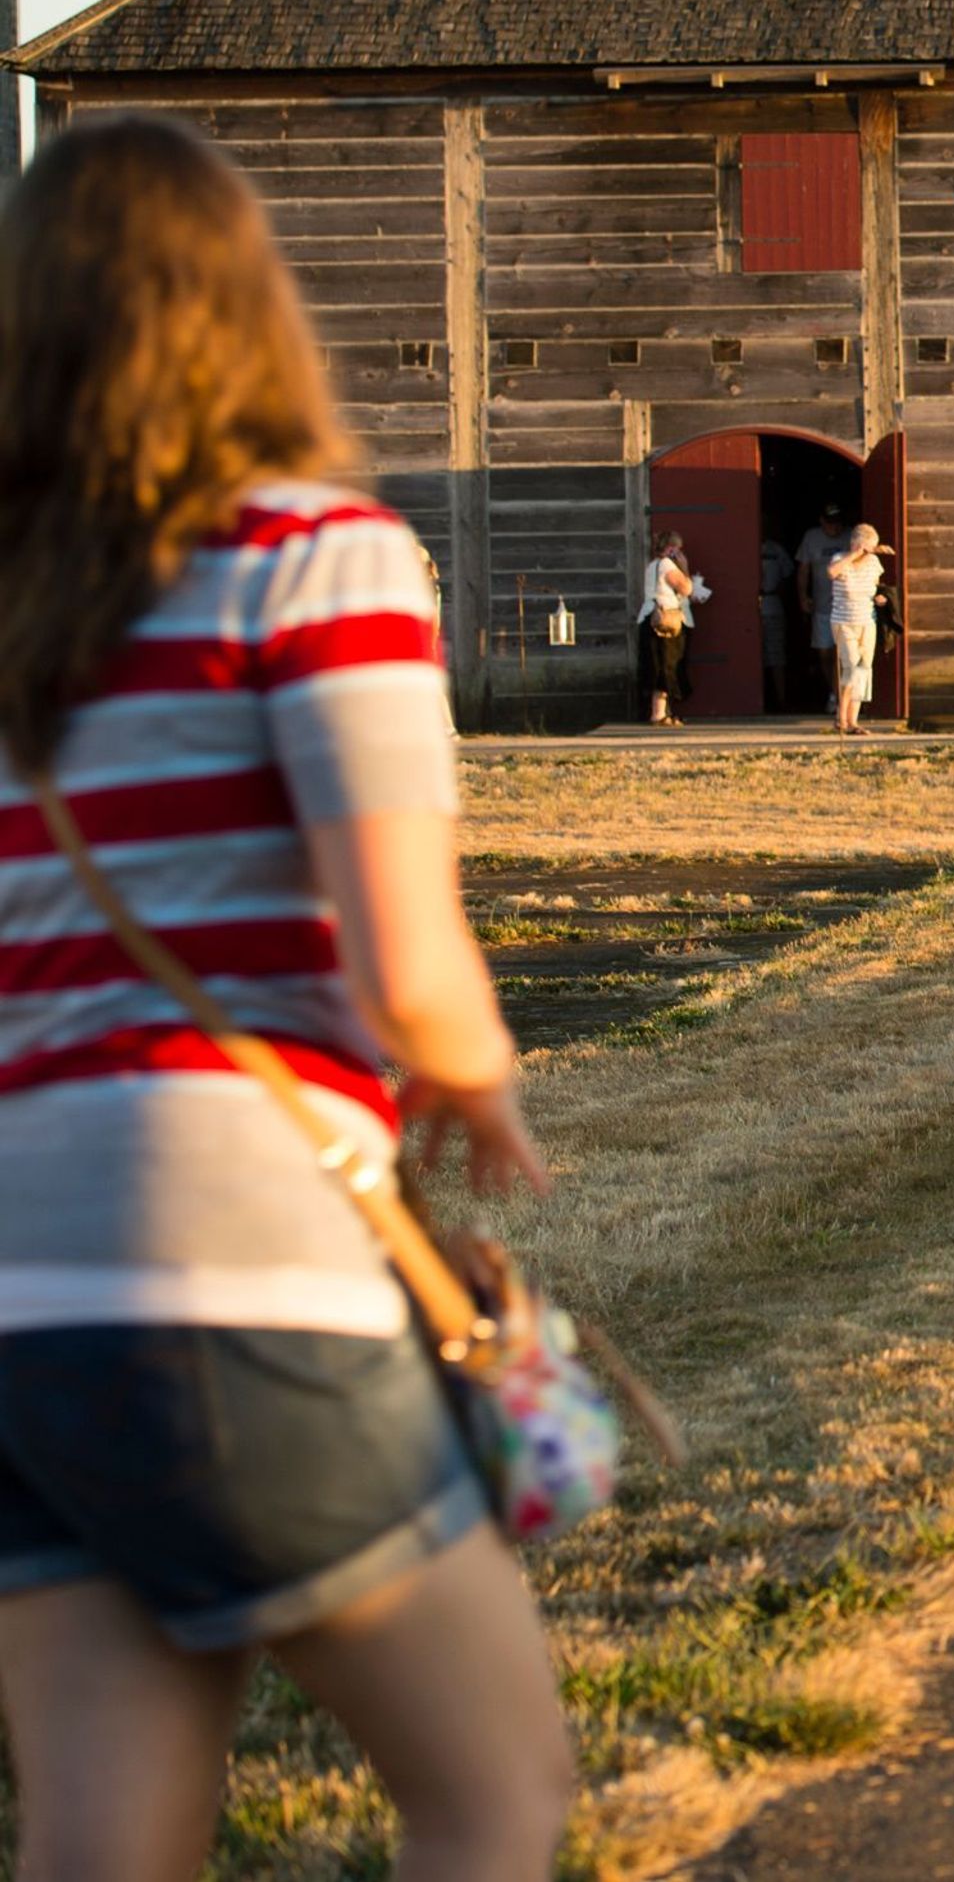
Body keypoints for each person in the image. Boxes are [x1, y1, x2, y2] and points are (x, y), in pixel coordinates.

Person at [0, 115, 573, 1882]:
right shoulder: (316, 557)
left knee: (105, 1835)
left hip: (22, 1275)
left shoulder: (17, 605)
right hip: (230, 1240)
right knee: (492, 1790)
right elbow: (409, 965)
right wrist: (483, 1088)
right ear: (254, 311)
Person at [635, 532, 709, 728]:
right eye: (677, 548)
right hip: (666, 621)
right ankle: (659, 714)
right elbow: (685, 588)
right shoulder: (667, 565)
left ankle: (662, 712)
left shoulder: (652, 565)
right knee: (667, 664)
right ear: (670, 548)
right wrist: (684, 567)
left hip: (652, 618)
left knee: (659, 663)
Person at [825, 523, 885, 735]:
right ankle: (840, 718)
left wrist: (880, 598)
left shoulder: (874, 563)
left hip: (867, 621)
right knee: (850, 666)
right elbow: (831, 573)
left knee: (863, 669)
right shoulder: (839, 560)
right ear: (856, 544)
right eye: (867, 547)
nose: (870, 551)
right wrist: (854, 555)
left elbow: (876, 586)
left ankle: (852, 721)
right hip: (844, 622)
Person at [794, 502, 847, 702]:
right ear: (822, 521)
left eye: (838, 523)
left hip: (844, 606)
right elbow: (803, 569)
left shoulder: (851, 536)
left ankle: (840, 697)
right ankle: (834, 690)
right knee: (824, 653)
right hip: (821, 606)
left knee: (841, 653)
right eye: (831, 523)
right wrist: (802, 597)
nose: (835, 527)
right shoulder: (811, 538)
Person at [756, 530, 794, 713]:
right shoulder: (741, 544)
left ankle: (781, 700)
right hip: (748, 609)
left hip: (772, 605)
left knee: (776, 654)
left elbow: (788, 574)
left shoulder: (775, 549)